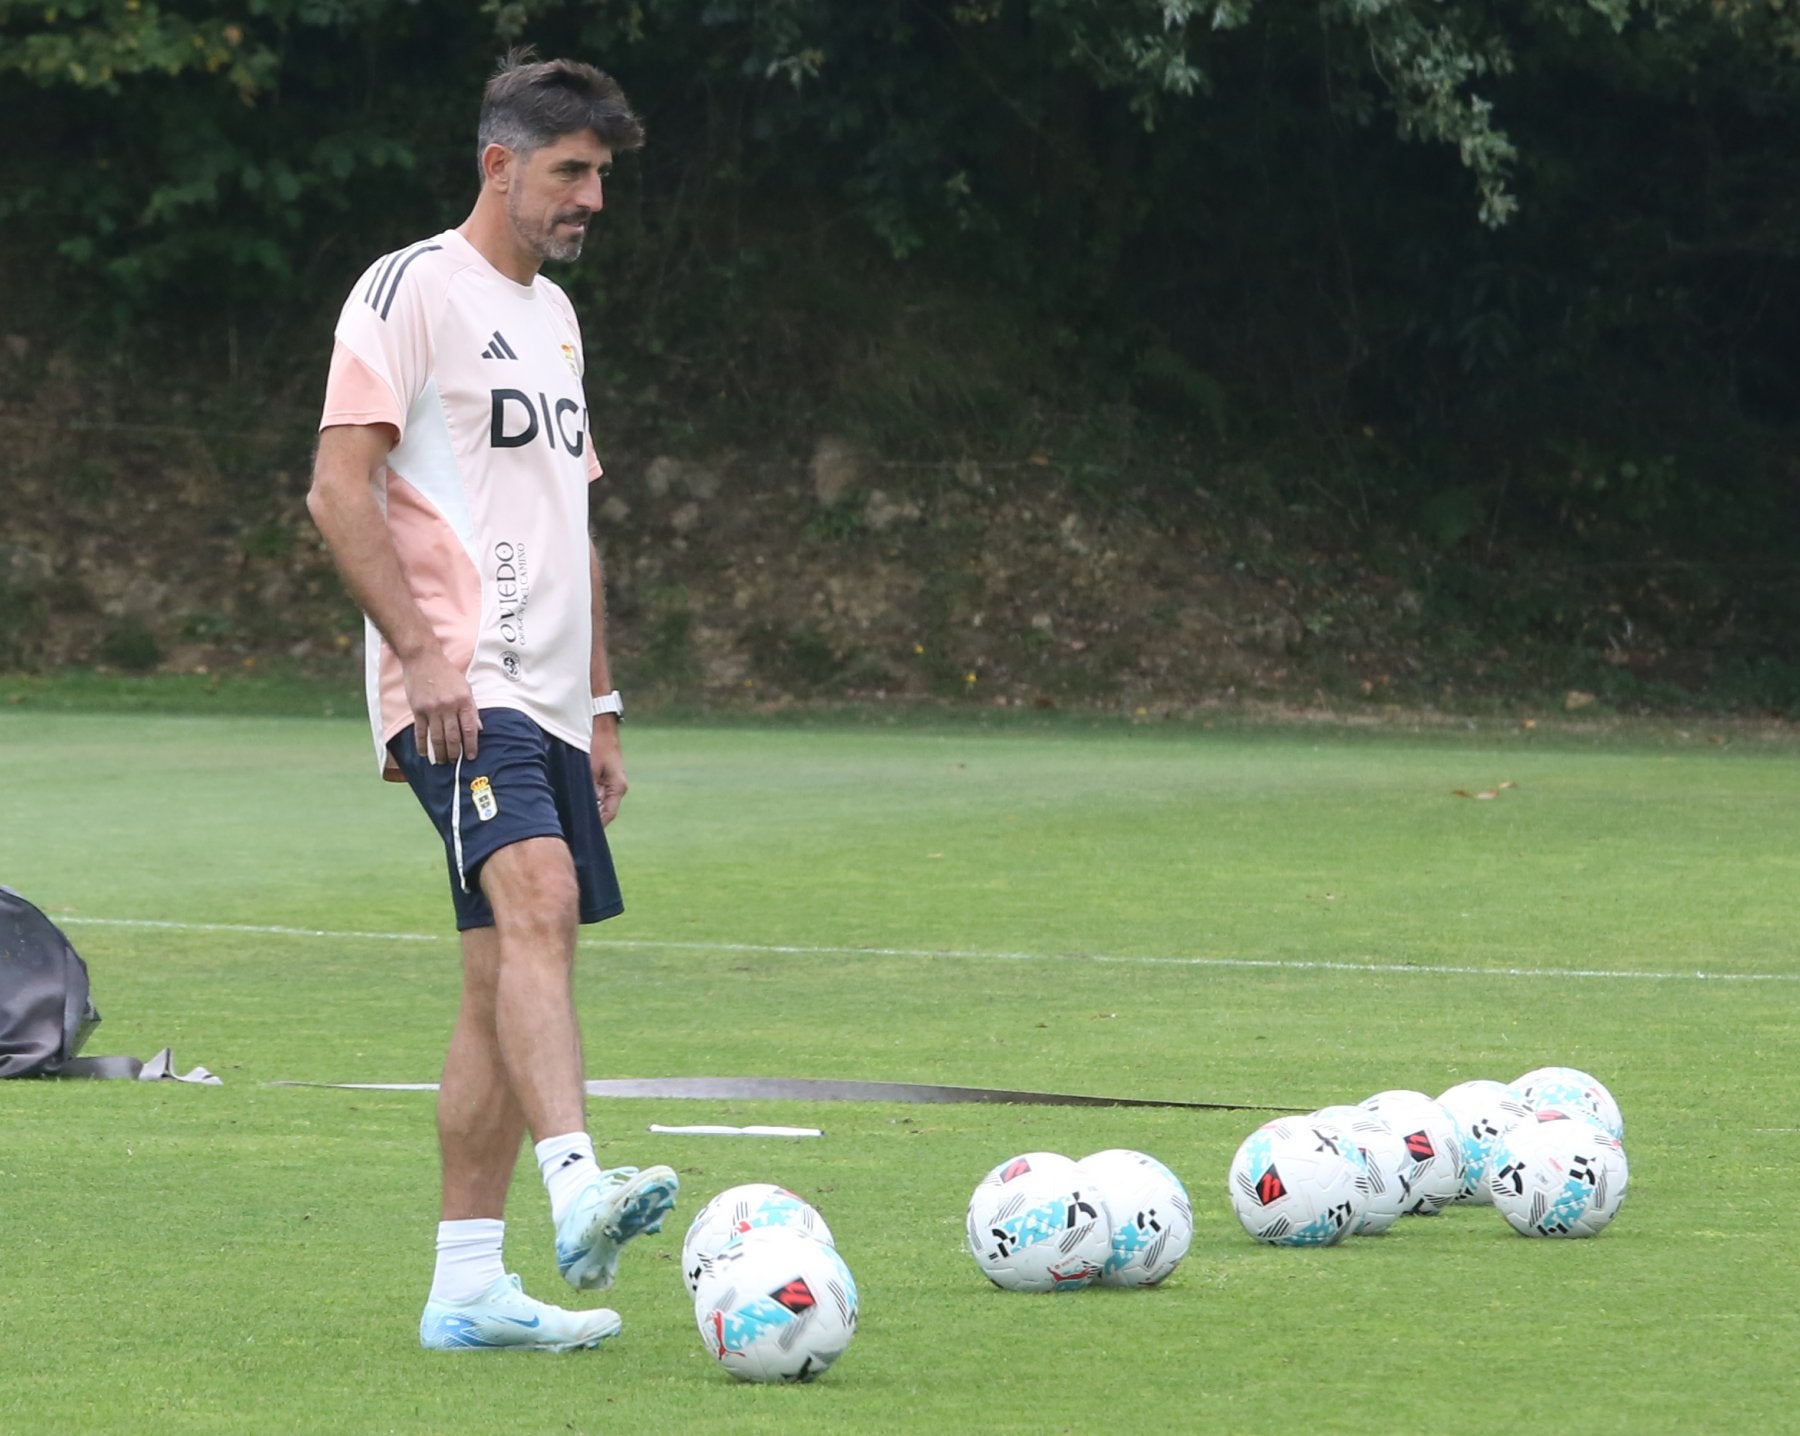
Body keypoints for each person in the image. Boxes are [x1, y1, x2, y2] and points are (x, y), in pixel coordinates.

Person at [307, 50, 676, 1353]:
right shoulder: (408, 290)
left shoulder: (559, 321)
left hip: (552, 697)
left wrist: (608, 702)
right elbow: (338, 490)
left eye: (602, 176)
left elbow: (573, 519)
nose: (592, 199)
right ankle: (580, 1186)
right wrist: (419, 654)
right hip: (459, 683)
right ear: (499, 166)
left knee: (501, 979)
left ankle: (466, 1287)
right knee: (540, 900)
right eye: (572, 173)